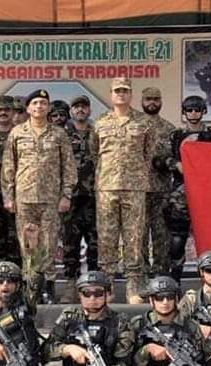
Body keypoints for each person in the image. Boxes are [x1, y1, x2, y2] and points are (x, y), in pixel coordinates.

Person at [2, 89, 76, 303]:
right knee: (28, 245)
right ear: (28, 108)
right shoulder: (17, 133)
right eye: (35, 103)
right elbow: (9, 166)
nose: (39, 107)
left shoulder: (59, 134)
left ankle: (48, 287)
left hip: (51, 199)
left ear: (49, 107)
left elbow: (69, 167)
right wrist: (8, 196)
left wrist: (66, 195)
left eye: (43, 103)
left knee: (49, 244)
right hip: (24, 199)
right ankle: (30, 287)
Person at [92, 77, 156, 303]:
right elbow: (94, 153)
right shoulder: (99, 123)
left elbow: (148, 152)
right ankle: (107, 287)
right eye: (117, 90)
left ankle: (133, 287)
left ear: (131, 94)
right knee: (107, 237)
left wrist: (135, 173)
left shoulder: (143, 122)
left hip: (134, 187)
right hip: (107, 187)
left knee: (134, 237)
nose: (121, 94)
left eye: (125, 90)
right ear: (111, 94)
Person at [165, 96, 211, 282]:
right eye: (189, 110)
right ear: (184, 112)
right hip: (182, 193)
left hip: (208, 193)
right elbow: (159, 159)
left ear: (204, 111)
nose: (193, 113)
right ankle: (174, 281)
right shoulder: (175, 136)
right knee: (177, 238)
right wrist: (175, 164)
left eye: (197, 109)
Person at [60, 95, 100, 302]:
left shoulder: (98, 132)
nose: (80, 110)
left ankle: (94, 285)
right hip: (71, 198)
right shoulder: (62, 134)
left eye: (84, 106)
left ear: (89, 110)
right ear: (71, 111)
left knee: (95, 243)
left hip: (95, 197)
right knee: (70, 242)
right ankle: (70, 284)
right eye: (76, 107)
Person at [142, 87, 177, 278]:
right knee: (138, 235)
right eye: (148, 99)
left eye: (156, 99)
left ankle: (161, 276)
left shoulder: (170, 129)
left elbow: (176, 158)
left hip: (162, 190)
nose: (152, 103)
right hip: (138, 190)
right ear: (142, 101)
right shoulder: (134, 127)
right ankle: (142, 276)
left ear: (161, 101)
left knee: (161, 235)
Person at [0, 95, 22, 268]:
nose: (3, 113)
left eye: (7, 110)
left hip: (17, 195)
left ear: (13, 112)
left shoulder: (21, 135)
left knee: (16, 241)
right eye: (0, 110)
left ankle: (17, 280)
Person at [179, 250, 211, 326]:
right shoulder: (191, 300)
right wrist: (198, 328)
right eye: (208, 270)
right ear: (201, 272)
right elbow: (178, 324)